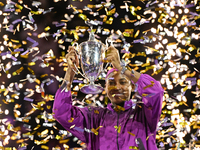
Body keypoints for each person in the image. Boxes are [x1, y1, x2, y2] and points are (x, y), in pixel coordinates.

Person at [53, 46, 164, 150]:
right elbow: (61, 112)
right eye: (111, 83)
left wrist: (122, 68)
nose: (117, 87)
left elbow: (156, 91)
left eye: (123, 82)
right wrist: (70, 72)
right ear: (105, 88)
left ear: (133, 87)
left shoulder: (145, 115)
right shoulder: (94, 118)